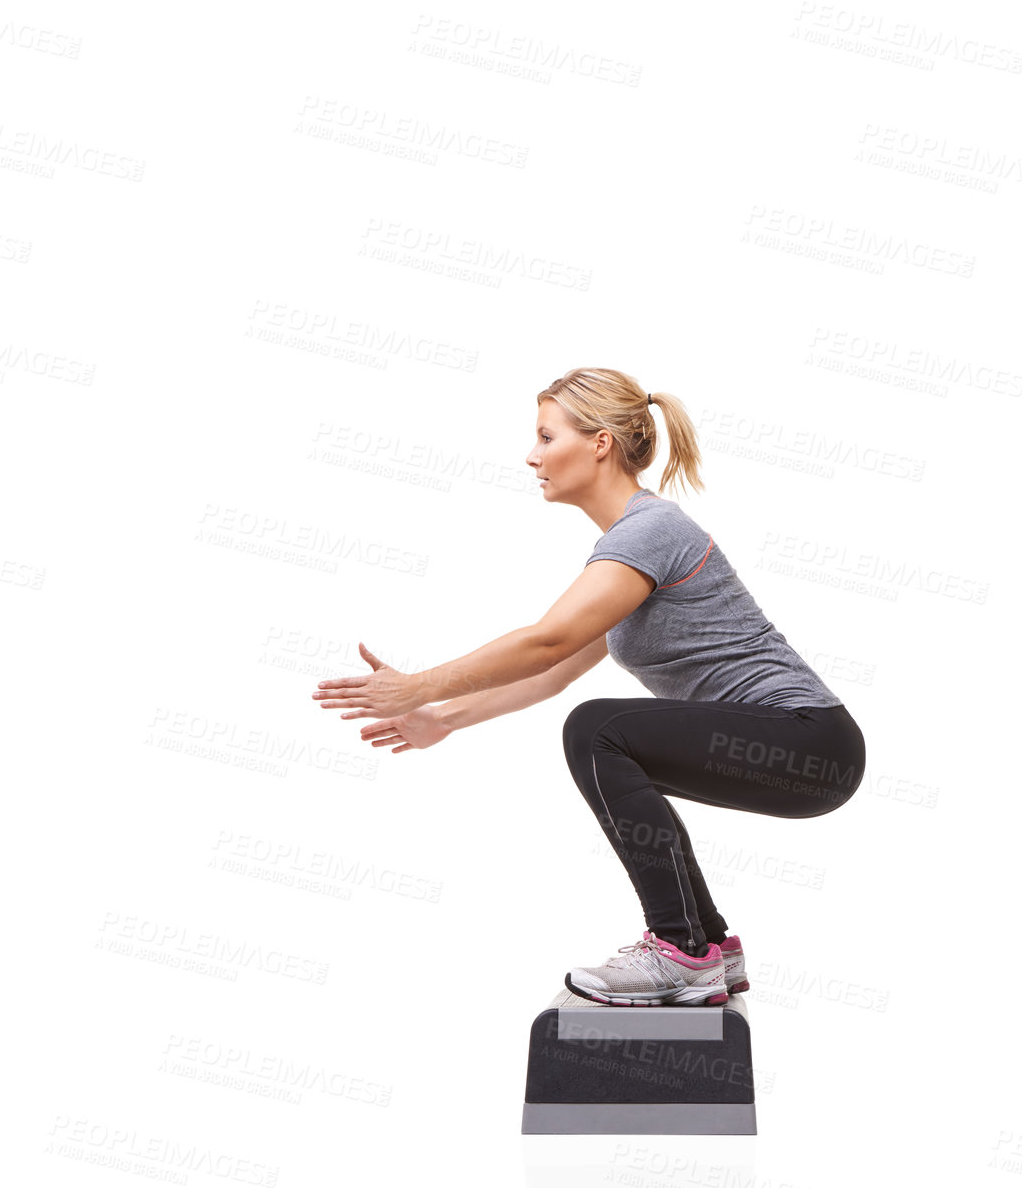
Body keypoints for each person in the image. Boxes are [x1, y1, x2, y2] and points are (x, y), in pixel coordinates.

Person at [312, 368, 867, 1006]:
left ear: (599, 443)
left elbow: (545, 639)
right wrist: (442, 716)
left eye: (546, 437)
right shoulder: (629, 547)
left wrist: (415, 686)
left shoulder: (648, 532)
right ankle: (708, 946)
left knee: (598, 730)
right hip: (808, 751)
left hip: (809, 740)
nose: (531, 455)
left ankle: (679, 948)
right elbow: (556, 668)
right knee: (599, 727)